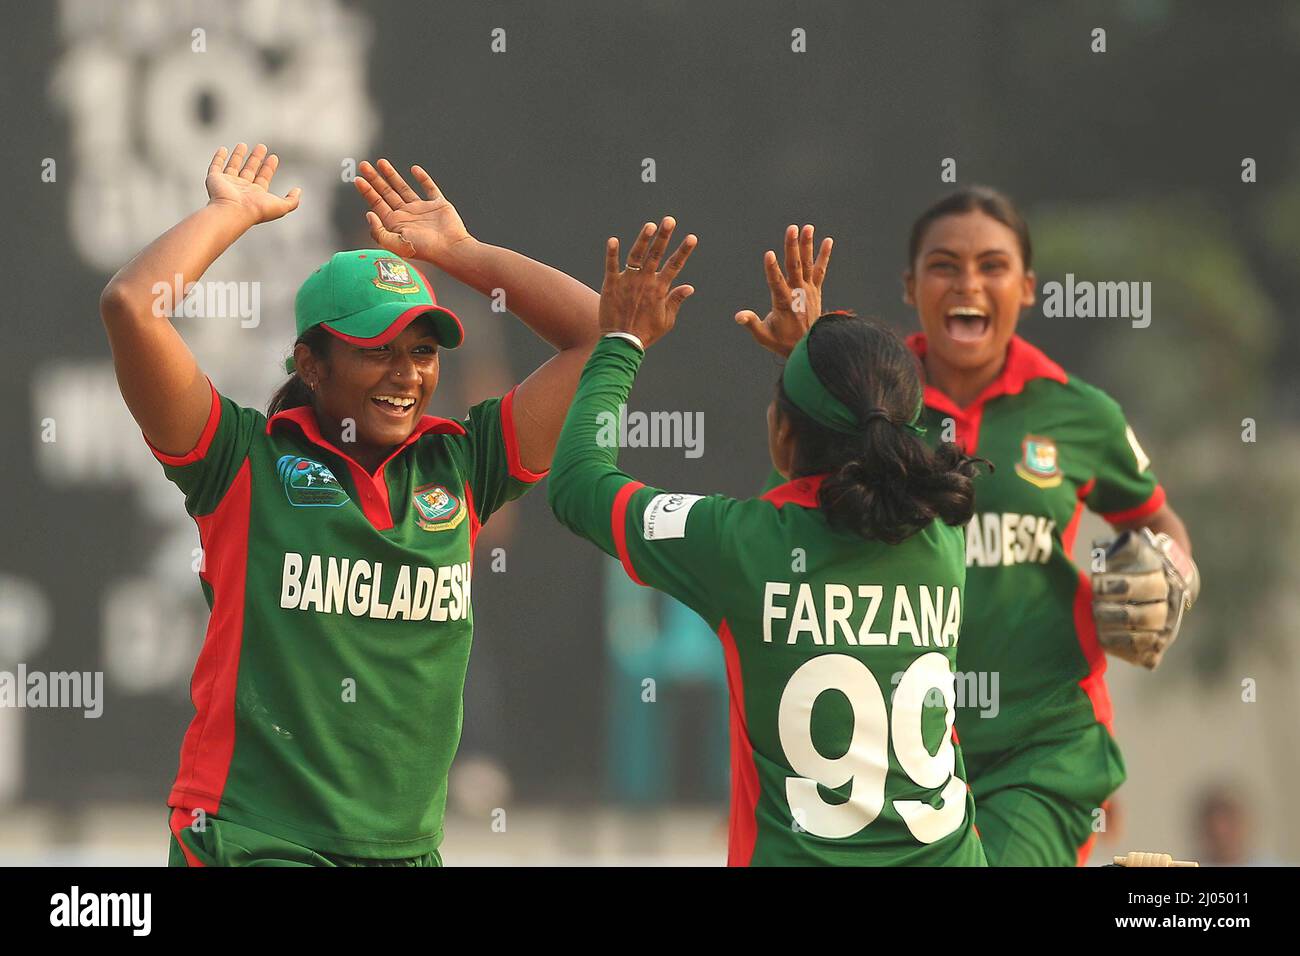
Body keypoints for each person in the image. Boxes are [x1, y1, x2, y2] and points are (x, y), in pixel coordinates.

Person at [99, 143, 611, 866]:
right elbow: (131, 307)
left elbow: (598, 335)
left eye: (424, 351)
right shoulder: (242, 463)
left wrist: (464, 254)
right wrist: (229, 214)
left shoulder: (463, 465)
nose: (407, 375)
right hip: (254, 843)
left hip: (403, 853)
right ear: (311, 363)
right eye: (377, 350)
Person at [740, 190, 1200, 866]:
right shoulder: (878, 406)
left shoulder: (1080, 412)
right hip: (901, 755)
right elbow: (805, 497)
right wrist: (808, 359)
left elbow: (1154, 516)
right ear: (909, 285)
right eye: (944, 265)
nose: (969, 284)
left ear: (1028, 288)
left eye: (993, 265)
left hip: (1041, 746)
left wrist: (1174, 577)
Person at [548, 223, 988, 865]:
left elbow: (579, 484)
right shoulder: (944, 532)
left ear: (782, 436)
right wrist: (810, 355)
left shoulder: (738, 547)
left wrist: (620, 341)